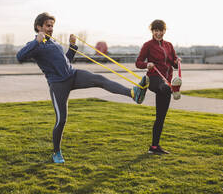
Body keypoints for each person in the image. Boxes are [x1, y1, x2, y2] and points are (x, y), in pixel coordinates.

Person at [17, 12, 149, 163]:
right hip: (58, 84)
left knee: (99, 79)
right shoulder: (36, 45)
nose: (51, 29)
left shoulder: (54, 42)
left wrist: (72, 46)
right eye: (48, 26)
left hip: (72, 75)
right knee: (61, 120)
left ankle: (134, 93)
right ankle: (56, 152)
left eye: (52, 26)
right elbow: (19, 57)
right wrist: (36, 42)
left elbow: (65, 61)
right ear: (38, 27)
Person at [136, 19, 180, 155]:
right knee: (164, 88)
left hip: (166, 81)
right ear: (152, 31)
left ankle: (154, 147)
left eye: (161, 30)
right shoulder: (148, 45)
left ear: (164, 31)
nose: (158, 33)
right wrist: (147, 64)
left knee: (160, 117)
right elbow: (138, 63)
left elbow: (173, 63)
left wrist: (177, 61)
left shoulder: (169, 45)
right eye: (156, 30)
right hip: (154, 79)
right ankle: (172, 89)